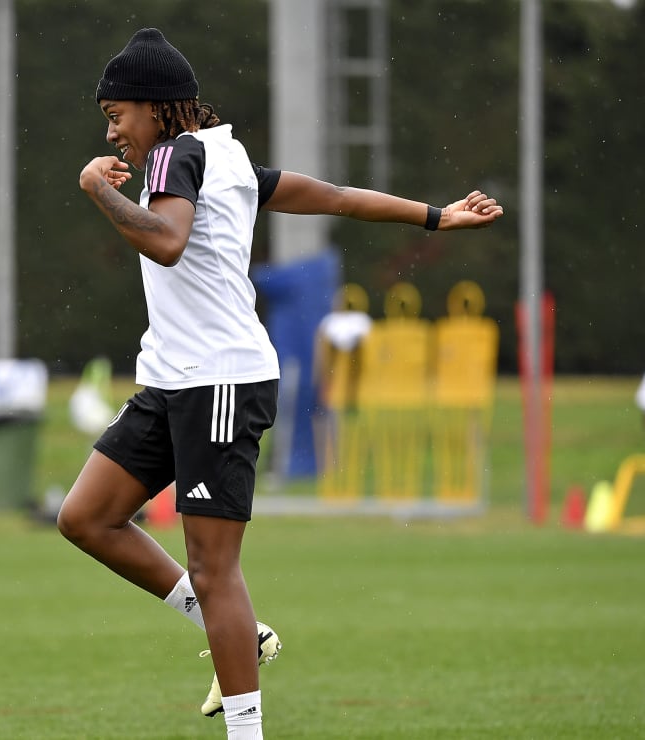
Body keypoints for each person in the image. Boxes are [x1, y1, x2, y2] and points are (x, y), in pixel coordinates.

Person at [58, 27, 503, 739]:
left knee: (213, 565)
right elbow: (334, 197)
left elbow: (167, 245)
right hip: (173, 381)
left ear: (157, 107)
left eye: (117, 115)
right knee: (86, 517)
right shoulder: (221, 153)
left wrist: (92, 191)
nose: (111, 131)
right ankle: (240, 633)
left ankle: (246, 732)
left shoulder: (178, 154)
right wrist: (434, 215)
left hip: (220, 384)